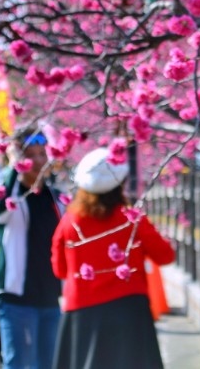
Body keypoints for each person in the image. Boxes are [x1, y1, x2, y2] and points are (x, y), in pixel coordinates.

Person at [51, 147, 176, 369]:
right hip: (130, 313)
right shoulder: (132, 219)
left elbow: (60, 270)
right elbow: (165, 256)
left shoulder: (69, 223)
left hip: (82, 315)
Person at [0, 125, 64, 369]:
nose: (39, 161)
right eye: (30, 156)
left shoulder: (54, 197)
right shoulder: (10, 195)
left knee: (47, 364)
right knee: (17, 363)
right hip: (15, 300)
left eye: (42, 154)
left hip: (50, 298)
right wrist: (13, 166)